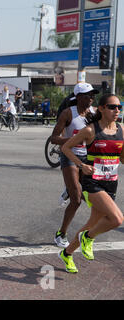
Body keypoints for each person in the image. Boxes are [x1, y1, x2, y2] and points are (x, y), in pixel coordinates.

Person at [59, 94, 124, 273]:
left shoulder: (121, 130)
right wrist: (82, 165)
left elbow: (122, 158)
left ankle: (67, 253)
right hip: (92, 183)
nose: (116, 110)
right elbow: (65, 148)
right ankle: (88, 238)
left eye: (119, 106)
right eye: (112, 107)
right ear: (101, 108)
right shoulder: (90, 130)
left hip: (111, 183)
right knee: (117, 219)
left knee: (92, 223)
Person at [50, 82, 99, 248]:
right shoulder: (67, 113)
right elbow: (54, 138)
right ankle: (61, 234)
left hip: (88, 158)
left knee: (93, 197)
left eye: (93, 94)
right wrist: (71, 140)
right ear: (78, 97)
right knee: (77, 199)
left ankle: (69, 188)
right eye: (87, 95)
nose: (91, 97)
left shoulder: (94, 113)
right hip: (69, 156)